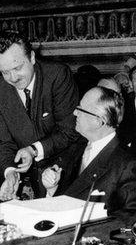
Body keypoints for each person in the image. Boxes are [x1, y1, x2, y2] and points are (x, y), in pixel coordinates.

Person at [0, 30, 79, 201]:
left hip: (63, 174)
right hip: (29, 183)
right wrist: (10, 172)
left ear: (32, 58)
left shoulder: (57, 76)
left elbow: (69, 131)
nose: (13, 78)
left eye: (18, 68)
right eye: (4, 72)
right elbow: (2, 142)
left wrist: (34, 150)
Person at [42, 87, 136, 220]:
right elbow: (69, 197)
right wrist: (53, 188)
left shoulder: (127, 164)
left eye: (80, 109)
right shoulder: (76, 149)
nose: (74, 113)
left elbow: (129, 220)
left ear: (98, 121)